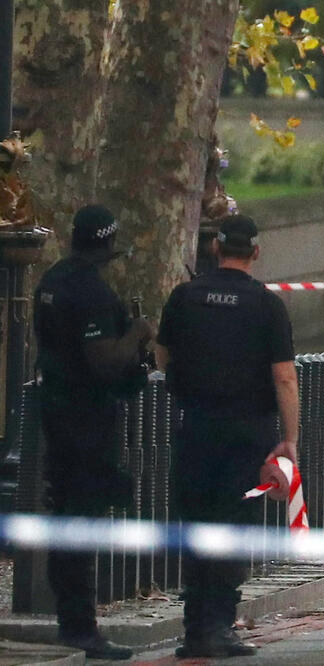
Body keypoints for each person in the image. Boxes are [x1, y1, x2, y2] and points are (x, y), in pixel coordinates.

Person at [155, 214, 298, 658]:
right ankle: (219, 625)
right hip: (247, 433)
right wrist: (289, 439)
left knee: (196, 524)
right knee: (233, 526)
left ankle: (195, 627)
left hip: (195, 426)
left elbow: (162, 357)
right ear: (255, 251)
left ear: (215, 248)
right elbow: (284, 378)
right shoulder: (266, 305)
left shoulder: (184, 297)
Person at [33, 204, 153, 660]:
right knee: (82, 519)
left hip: (57, 414)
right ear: (107, 244)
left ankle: (73, 619)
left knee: (66, 514)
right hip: (86, 420)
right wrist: (138, 333)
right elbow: (104, 361)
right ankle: (81, 627)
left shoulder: (52, 282)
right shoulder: (92, 293)